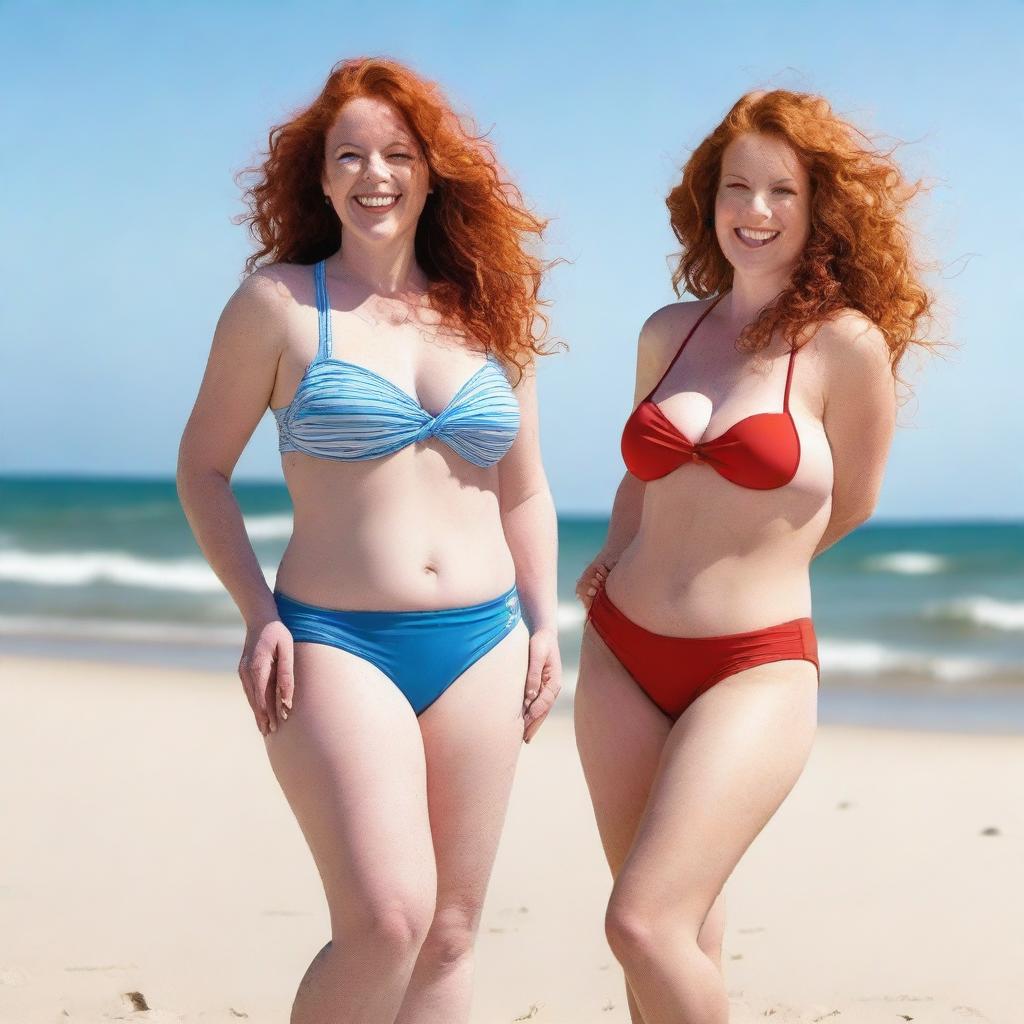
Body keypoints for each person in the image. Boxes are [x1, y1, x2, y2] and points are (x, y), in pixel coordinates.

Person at [176, 57, 561, 1024]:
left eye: (396, 153)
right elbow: (202, 471)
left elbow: (525, 488)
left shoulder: (488, 311)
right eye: (349, 155)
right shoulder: (277, 305)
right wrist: (258, 614)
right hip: (334, 644)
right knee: (388, 920)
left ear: (431, 174)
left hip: (485, 642)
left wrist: (545, 623)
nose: (373, 174)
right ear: (320, 176)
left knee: (453, 932)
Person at [573, 89, 933, 1024]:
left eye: (783, 189)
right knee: (677, 938)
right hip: (619, 652)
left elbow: (853, 501)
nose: (757, 210)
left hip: (752, 667)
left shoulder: (845, 347)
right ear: (711, 200)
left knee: (641, 923)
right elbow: (638, 474)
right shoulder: (668, 331)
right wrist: (610, 558)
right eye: (738, 187)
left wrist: (752, 564)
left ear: (819, 209)